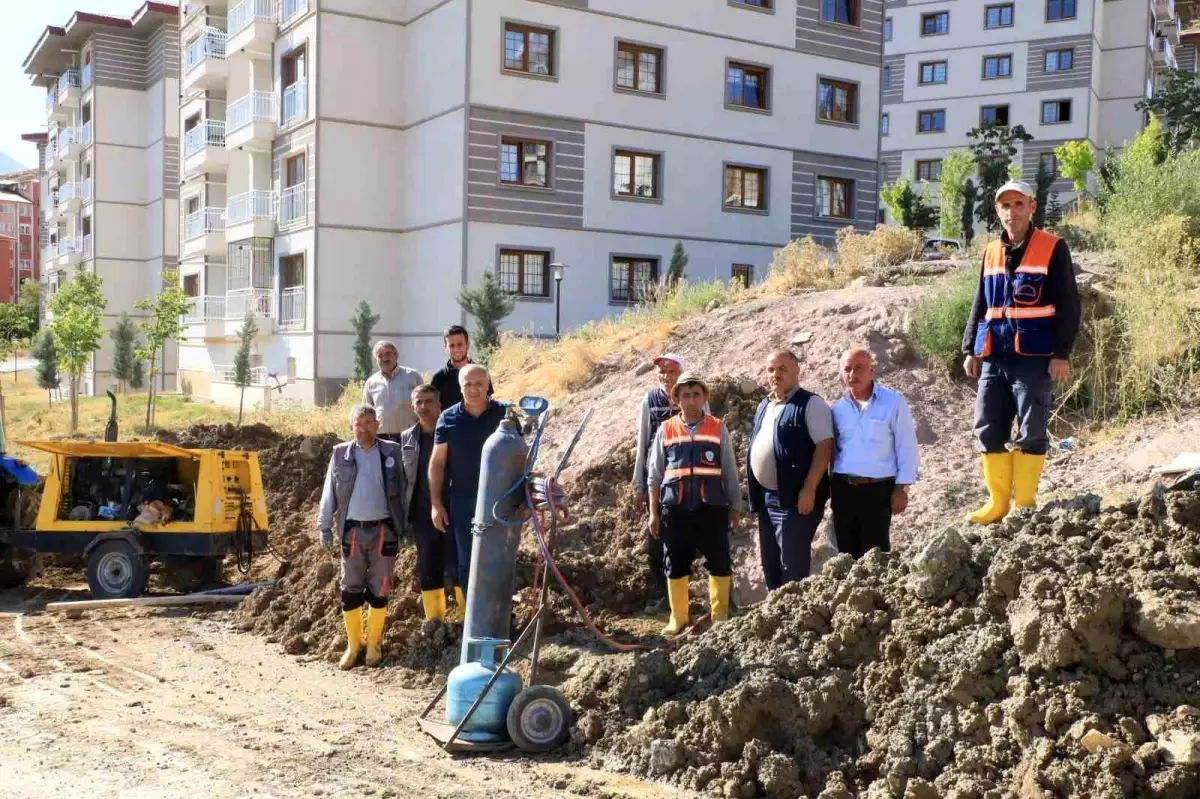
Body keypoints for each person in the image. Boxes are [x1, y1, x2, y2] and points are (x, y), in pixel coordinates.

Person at [961, 180, 1080, 524]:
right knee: (987, 427)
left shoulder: (1054, 247)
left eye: (1018, 204)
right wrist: (970, 348)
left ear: (1032, 206)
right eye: (1005, 206)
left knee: (1031, 429)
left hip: (1034, 357)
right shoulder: (990, 251)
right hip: (994, 356)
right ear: (998, 211)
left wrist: (1062, 352)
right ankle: (997, 504)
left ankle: (1024, 503)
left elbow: (1069, 303)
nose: (1012, 211)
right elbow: (980, 303)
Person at [646, 374, 741, 634]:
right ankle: (678, 618)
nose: (691, 400)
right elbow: (654, 475)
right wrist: (653, 513)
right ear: (677, 399)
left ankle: (720, 615)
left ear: (704, 397)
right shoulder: (665, 429)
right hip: (675, 509)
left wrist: (735, 507)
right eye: (685, 395)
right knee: (675, 561)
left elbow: (730, 471)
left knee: (719, 559)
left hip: (711, 507)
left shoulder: (717, 427)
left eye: (696, 394)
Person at [317, 405, 406, 670]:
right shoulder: (340, 454)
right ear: (351, 426)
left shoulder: (392, 452)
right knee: (350, 589)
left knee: (380, 589)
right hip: (352, 531)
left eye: (369, 422)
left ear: (377, 425)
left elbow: (403, 491)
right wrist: (324, 527)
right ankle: (354, 644)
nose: (364, 427)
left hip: (383, 531)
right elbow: (329, 492)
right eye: (359, 423)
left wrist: (407, 528)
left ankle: (375, 643)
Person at [747, 349, 833, 590]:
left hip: (796, 500)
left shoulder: (811, 403)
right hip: (767, 498)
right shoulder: (765, 404)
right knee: (771, 563)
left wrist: (809, 489)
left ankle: (795, 621)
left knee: (792, 567)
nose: (776, 374)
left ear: (797, 371)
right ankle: (776, 618)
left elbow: (825, 447)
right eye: (771, 369)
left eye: (782, 369)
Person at [830, 347, 919, 557]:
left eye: (859, 367)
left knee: (875, 554)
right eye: (847, 369)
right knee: (845, 553)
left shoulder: (893, 403)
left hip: (878, 491)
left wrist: (901, 488)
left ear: (872, 370)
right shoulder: (837, 408)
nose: (853, 374)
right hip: (843, 489)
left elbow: (906, 446)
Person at [428, 364, 508, 593]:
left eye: (479, 384)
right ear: (460, 387)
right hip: (462, 500)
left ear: (488, 385)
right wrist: (436, 504)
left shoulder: (504, 415)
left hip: (499, 499)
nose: (473, 389)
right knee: (467, 560)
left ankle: (498, 615)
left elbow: (518, 456)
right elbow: (437, 462)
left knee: (498, 557)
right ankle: (474, 620)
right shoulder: (448, 418)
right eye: (468, 384)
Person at [401, 384, 462, 622]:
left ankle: (464, 619)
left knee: (457, 562)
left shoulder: (453, 433)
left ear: (439, 405)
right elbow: (403, 481)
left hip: (454, 509)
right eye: (419, 402)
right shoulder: (407, 438)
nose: (424, 407)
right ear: (413, 406)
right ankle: (435, 622)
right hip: (422, 514)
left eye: (428, 401)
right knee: (428, 566)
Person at [631, 353, 686, 595]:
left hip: (687, 479)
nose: (666, 376)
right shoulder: (650, 400)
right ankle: (660, 591)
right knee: (657, 535)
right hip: (657, 478)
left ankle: (681, 589)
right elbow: (642, 441)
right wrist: (638, 485)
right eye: (662, 372)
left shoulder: (691, 396)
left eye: (672, 371)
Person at [361, 340, 423, 442]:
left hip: (410, 435)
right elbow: (366, 412)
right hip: (381, 438)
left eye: (388, 354)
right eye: (380, 355)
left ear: (396, 355)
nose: (385, 358)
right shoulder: (371, 382)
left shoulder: (413, 376)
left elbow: (424, 403)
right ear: (376, 359)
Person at [431, 325, 493, 409]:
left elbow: (489, 401)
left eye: (460, 344)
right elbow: (433, 408)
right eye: (452, 345)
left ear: (467, 345)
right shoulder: (439, 378)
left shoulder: (482, 372)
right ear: (445, 347)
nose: (456, 349)